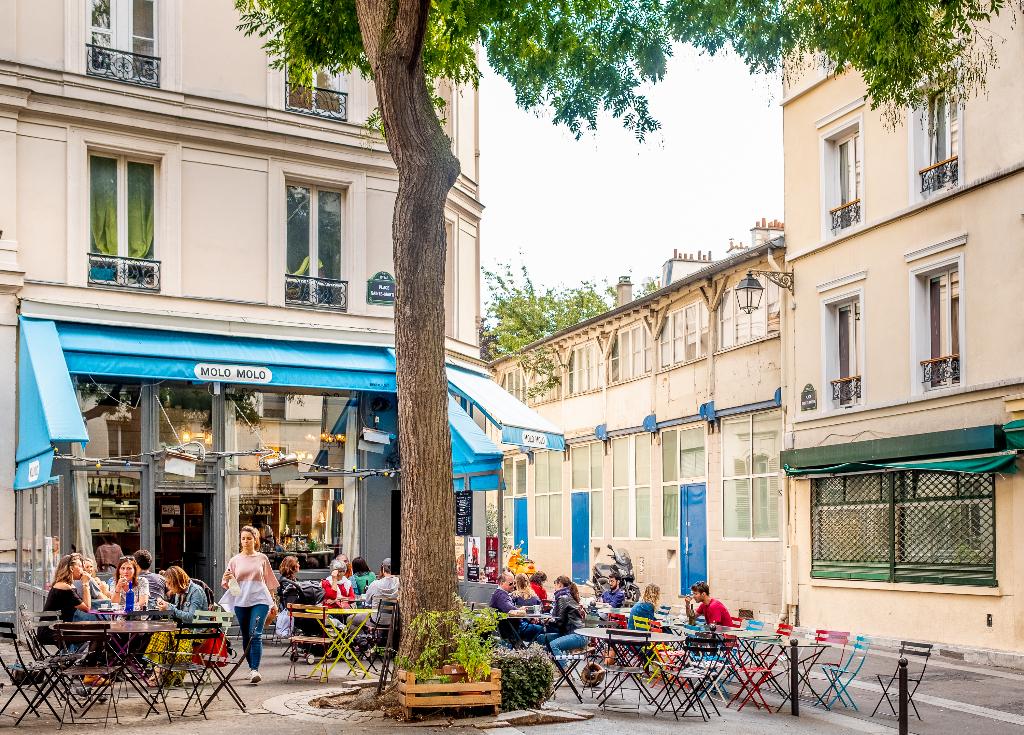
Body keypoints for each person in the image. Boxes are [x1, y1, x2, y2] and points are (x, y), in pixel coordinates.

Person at [222, 525, 279, 684]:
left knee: (256, 634)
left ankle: (255, 669)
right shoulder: (234, 560)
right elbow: (228, 586)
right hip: (241, 600)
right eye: (243, 538)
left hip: (260, 600)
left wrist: (273, 602)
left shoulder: (262, 558)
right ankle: (251, 667)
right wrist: (229, 579)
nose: (246, 541)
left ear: (255, 540)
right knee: (246, 635)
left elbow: (270, 582)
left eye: (249, 538)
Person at [146, 566, 211, 687]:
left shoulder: (195, 591)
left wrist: (170, 608)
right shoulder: (179, 593)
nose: (168, 586)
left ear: (177, 582)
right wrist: (165, 606)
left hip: (197, 631)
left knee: (166, 634)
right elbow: (177, 612)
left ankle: (161, 672)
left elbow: (190, 617)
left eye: (170, 583)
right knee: (162, 632)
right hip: (184, 629)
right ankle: (158, 670)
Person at [40, 554, 92, 644]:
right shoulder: (64, 588)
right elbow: (87, 607)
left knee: (94, 633)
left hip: (58, 629)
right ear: (71, 569)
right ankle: (89, 658)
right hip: (53, 632)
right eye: (80, 566)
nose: (83, 570)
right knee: (97, 635)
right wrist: (86, 583)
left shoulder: (66, 585)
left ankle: (82, 657)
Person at [535, 576, 586, 659]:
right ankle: (548, 665)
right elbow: (561, 620)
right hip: (571, 633)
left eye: (555, 584)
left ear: (559, 584)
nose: (554, 588)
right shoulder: (567, 596)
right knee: (541, 638)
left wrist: (547, 622)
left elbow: (560, 622)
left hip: (577, 635)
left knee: (553, 645)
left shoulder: (562, 598)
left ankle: (563, 669)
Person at [490, 572, 541, 642]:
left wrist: (519, 610)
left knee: (538, 628)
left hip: (511, 627)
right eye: (510, 584)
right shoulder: (501, 595)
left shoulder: (501, 594)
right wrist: (522, 611)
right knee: (543, 629)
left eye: (514, 583)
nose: (513, 586)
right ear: (502, 583)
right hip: (513, 630)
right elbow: (510, 610)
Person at [276, 555, 302, 637]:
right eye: (297, 563)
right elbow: (289, 597)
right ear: (292, 566)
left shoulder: (293, 579)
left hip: (295, 608)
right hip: (289, 609)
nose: (299, 565)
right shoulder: (285, 580)